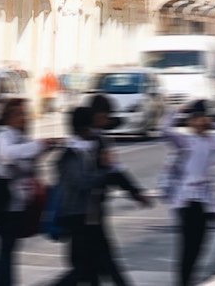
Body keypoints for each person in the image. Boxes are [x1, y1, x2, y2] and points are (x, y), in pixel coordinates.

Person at [161, 100, 215, 286]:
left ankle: (189, 279)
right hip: (186, 200)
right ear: (190, 121)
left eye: (202, 118)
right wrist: (177, 110)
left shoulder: (213, 141)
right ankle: (183, 281)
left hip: (206, 201)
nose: (199, 122)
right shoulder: (185, 141)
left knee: (200, 246)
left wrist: (214, 124)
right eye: (195, 119)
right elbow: (164, 130)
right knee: (187, 246)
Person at [0, 97, 55, 286]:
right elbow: (8, 155)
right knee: (6, 247)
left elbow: (26, 163)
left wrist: (42, 149)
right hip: (4, 203)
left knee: (7, 248)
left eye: (25, 114)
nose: (23, 118)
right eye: (19, 114)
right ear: (8, 117)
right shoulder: (3, 136)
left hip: (18, 203)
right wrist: (38, 146)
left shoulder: (20, 137)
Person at [86, 94, 152, 286]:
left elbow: (114, 171)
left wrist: (135, 191)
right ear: (98, 116)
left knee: (93, 262)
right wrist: (136, 192)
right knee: (99, 259)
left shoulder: (90, 139)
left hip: (89, 208)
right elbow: (114, 172)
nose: (107, 121)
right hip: (90, 209)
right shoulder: (96, 141)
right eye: (106, 116)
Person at [52, 105, 111, 286]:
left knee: (91, 267)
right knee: (82, 268)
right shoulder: (71, 153)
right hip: (76, 215)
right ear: (85, 128)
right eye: (92, 126)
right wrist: (106, 174)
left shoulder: (84, 149)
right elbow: (81, 182)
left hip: (87, 214)